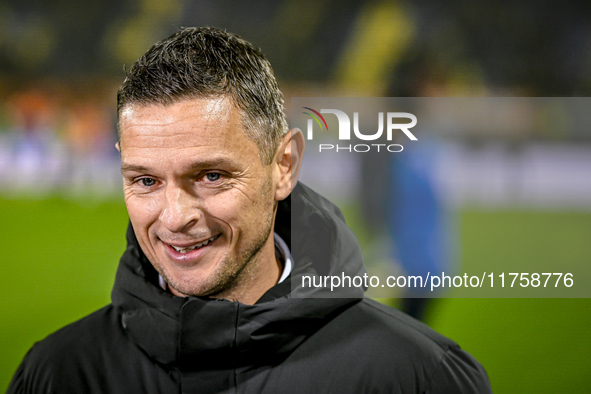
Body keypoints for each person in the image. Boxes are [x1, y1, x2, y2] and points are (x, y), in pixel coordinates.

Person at [8, 27, 492, 393]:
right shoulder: (58, 374)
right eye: (146, 180)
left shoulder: (420, 376)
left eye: (211, 176)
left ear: (284, 165)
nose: (174, 217)